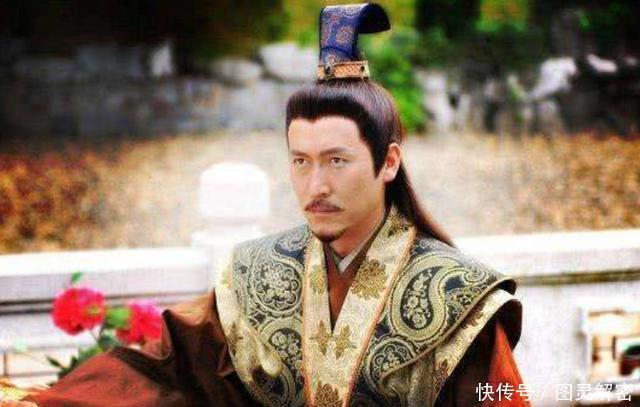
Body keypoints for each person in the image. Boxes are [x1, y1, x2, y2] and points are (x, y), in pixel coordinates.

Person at [2, 3, 528, 406]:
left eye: (337, 161)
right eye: (300, 161)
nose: (315, 185)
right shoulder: (259, 273)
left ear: (388, 162)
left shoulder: (456, 298)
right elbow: (164, 371)